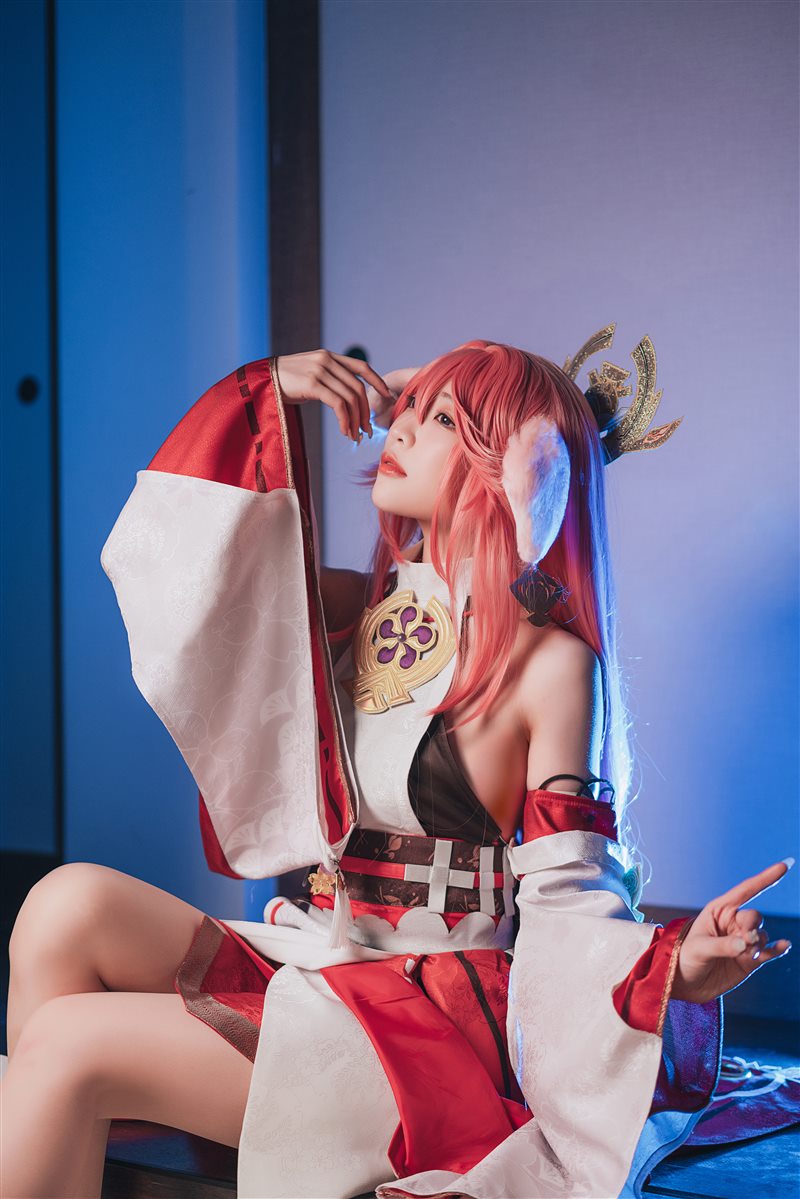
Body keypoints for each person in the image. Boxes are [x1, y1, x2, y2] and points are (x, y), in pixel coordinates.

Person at [0, 335, 794, 1199]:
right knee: (62, 906)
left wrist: (672, 968)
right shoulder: (358, 604)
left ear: (518, 469)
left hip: (432, 1022)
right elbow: (179, 567)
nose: (402, 430)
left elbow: (570, 897)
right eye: (407, 411)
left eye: (443, 419)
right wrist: (266, 394)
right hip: (326, 956)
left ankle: (61, 1111)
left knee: (64, 1043)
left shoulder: (554, 664)